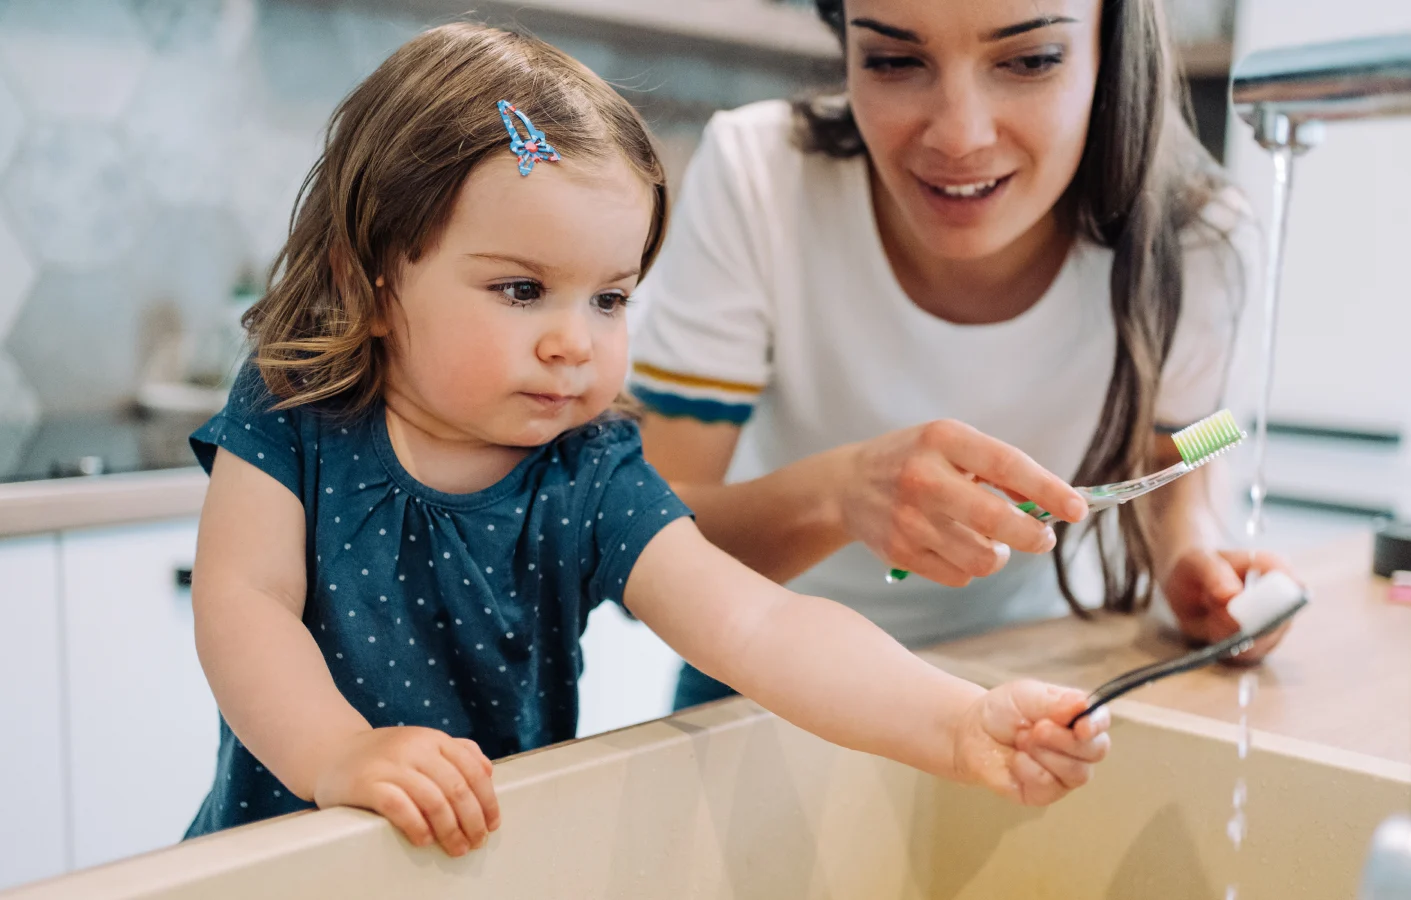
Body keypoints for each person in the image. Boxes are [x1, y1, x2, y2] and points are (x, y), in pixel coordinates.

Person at [183, 22, 1112, 859]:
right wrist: (339, 753)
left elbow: (759, 623)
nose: (574, 341)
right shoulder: (295, 404)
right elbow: (245, 604)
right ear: (371, 281)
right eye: (520, 289)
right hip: (273, 860)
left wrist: (955, 725)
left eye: (610, 298)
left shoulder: (592, 473)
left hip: (486, 865)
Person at [628, 0, 1293, 712]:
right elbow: (639, 550)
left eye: (1031, 60)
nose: (959, 136)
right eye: (893, 60)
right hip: (765, 680)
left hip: (1022, 675)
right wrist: (841, 494)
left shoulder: (1192, 236)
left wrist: (1189, 558)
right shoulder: (761, 177)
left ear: (1114, 49)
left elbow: (1173, 453)